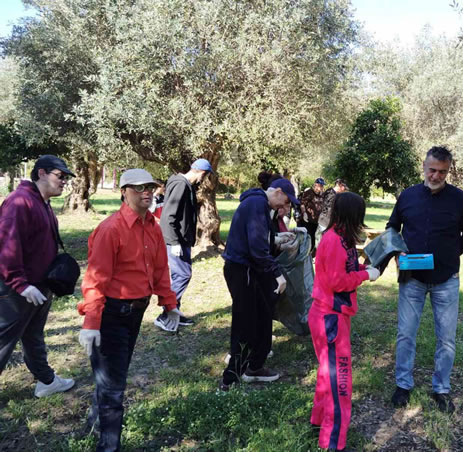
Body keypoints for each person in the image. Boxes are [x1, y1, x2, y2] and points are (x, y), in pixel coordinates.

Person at [78, 168, 182, 451]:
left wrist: (169, 303)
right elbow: (96, 280)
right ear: (124, 192)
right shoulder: (111, 229)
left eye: (150, 187)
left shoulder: (153, 226)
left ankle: (94, 425)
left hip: (135, 311)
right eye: (138, 188)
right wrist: (91, 322)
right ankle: (108, 446)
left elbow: (160, 269)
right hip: (112, 312)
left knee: (112, 375)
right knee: (114, 387)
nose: (146, 192)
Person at [386, 146, 463, 413]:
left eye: (442, 172)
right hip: (412, 278)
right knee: (406, 334)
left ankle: (441, 389)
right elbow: (392, 227)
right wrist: (398, 251)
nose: (436, 176)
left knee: (446, 338)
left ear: (448, 171)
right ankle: (403, 385)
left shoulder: (459, 199)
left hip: (446, 280)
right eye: (432, 170)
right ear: (424, 167)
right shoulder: (408, 196)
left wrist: (450, 255)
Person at [309, 192, 380, 451]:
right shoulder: (334, 241)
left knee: (326, 373)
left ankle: (318, 421)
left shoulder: (342, 238)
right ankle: (333, 442)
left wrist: (364, 269)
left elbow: (345, 269)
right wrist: (366, 277)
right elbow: (338, 282)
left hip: (332, 314)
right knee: (340, 382)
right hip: (330, 318)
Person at [0, 155, 76, 398]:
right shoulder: (19, 202)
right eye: (60, 176)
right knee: (3, 342)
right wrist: (21, 285)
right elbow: (6, 247)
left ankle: (46, 380)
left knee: (33, 336)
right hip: (18, 291)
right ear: (41, 173)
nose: (64, 181)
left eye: (66, 178)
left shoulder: (42, 202)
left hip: (39, 287)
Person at [219, 178, 298, 390]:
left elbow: (259, 238)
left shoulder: (261, 205)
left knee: (262, 315)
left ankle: (255, 366)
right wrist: (277, 274)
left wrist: (277, 239)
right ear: (278, 191)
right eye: (286, 201)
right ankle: (230, 379)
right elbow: (257, 248)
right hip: (242, 271)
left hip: (249, 270)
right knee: (245, 324)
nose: (284, 207)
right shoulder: (257, 204)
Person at [154, 159, 213, 330]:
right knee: (182, 275)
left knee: (179, 275)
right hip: (176, 240)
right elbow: (169, 215)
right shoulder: (180, 184)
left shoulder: (183, 184)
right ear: (202, 173)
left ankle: (174, 312)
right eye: (206, 176)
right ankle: (166, 315)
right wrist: (174, 242)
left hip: (181, 239)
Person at [316, 178, 348, 249]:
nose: (344, 190)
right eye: (344, 187)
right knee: (321, 245)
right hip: (325, 223)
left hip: (327, 223)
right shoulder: (331, 195)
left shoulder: (332, 193)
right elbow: (329, 210)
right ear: (339, 185)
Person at [297, 178, 325, 253]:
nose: (322, 187)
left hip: (316, 221)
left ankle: (310, 253)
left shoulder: (321, 195)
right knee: (307, 237)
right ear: (316, 185)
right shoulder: (309, 192)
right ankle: (303, 252)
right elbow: (302, 204)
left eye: (322, 186)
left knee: (313, 238)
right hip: (307, 220)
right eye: (320, 185)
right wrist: (304, 213)